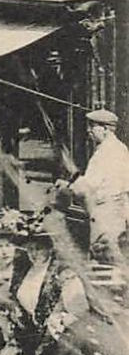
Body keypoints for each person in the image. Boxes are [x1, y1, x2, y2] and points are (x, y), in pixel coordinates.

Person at [74, 109, 129, 262]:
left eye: (92, 126)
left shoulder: (106, 152)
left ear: (105, 129)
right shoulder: (120, 148)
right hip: (117, 212)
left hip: (105, 211)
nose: (88, 130)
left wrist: (70, 186)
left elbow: (88, 186)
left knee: (104, 255)